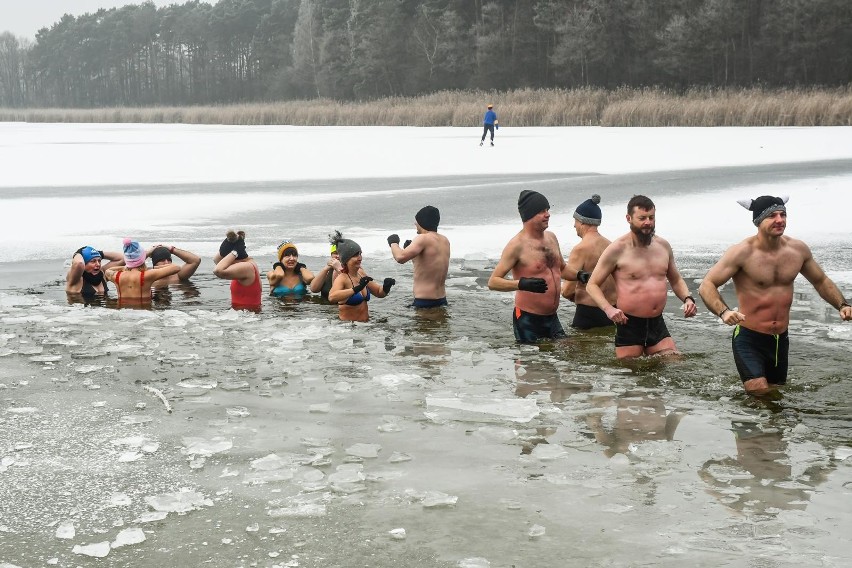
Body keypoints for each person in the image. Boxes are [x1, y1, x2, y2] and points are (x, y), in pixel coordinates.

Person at [698, 195, 851, 394]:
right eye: (772, 216)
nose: (780, 220)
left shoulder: (797, 250)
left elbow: (821, 281)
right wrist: (724, 312)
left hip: (780, 341)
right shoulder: (742, 252)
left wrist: (842, 305)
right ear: (758, 221)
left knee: (776, 398)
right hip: (749, 339)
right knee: (760, 393)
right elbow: (707, 285)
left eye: (783, 214)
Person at [585, 195, 697, 358]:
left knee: (675, 364)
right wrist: (609, 309)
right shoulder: (617, 249)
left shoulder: (663, 246)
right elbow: (592, 285)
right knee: (631, 376)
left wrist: (688, 299)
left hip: (657, 323)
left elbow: (676, 279)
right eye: (642, 218)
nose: (648, 222)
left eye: (651, 217)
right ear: (629, 218)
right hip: (628, 324)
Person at [488, 190, 586, 343]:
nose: (547, 214)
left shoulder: (551, 238)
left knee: (565, 358)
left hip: (552, 317)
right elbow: (493, 282)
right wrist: (521, 284)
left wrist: (580, 275)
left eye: (547, 210)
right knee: (531, 363)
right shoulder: (517, 245)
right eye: (541, 211)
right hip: (527, 318)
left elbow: (562, 268)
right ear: (529, 216)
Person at [561, 194, 617, 329]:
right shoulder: (611, 246)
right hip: (612, 312)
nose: (574, 225)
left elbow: (567, 290)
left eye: (575, 221)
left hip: (587, 314)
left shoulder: (581, 249)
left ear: (582, 222)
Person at [387, 205, 451, 309]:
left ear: (422, 222)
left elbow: (400, 257)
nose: (415, 224)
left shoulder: (423, 238)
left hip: (425, 302)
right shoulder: (444, 240)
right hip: (441, 300)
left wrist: (393, 243)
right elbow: (429, 264)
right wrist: (415, 256)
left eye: (417, 221)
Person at [328, 239, 395, 322]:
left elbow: (379, 292)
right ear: (346, 259)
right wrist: (356, 289)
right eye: (356, 255)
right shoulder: (342, 278)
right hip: (347, 329)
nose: (360, 258)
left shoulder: (361, 273)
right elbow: (332, 297)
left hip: (365, 326)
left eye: (360, 254)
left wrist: (386, 287)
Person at [104, 239, 181, 305]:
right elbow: (176, 268)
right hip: (144, 312)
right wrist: (156, 267)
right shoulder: (147, 275)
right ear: (142, 257)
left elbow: (108, 270)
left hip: (122, 312)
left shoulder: (116, 276)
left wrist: (127, 267)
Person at [212, 230, 262, 311]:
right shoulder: (244, 263)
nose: (226, 260)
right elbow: (216, 260)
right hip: (241, 316)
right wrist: (231, 242)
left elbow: (217, 270)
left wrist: (236, 251)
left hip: (249, 318)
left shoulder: (247, 267)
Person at [309, 231, 345, 300]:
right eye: (335, 253)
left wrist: (339, 269)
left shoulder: (351, 270)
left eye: (340, 253)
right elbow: (314, 289)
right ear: (331, 255)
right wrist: (325, 269)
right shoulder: (327, 270)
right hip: (325, 308)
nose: (337, 256)